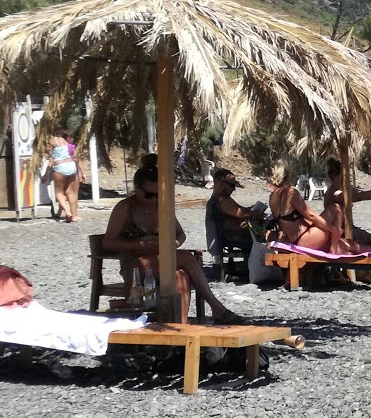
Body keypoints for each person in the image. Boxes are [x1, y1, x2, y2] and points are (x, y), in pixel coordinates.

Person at [103, 164, 245, 324]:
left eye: (158, 194)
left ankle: (179, 329)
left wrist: (173, 244)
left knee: (181, 276)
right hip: (135, 266)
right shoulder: (125, 208)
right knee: (185, 257)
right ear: (136, 188)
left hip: (161, 259)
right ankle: (217, 308)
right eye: (149, 195)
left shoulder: (160, 206)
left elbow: (180, 234)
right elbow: (108, 242)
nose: (154, 199)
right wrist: (139, 245)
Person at [268, 165, 358, 255]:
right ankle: (334, 249)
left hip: (293, 240)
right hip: (304, 239)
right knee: (336, 208)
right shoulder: (291, 193)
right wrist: (333, 229)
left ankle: (335, 246)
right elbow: (310, 215)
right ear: (288, 176)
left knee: (348, 245)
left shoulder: (272, 197)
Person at [322, 158, 371, 243]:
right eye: (343, 176)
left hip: (348, 227)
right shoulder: (334, 192)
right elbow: (356, 196)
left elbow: (362, 194)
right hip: (340, 230)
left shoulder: (343, 188)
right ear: (335, 175)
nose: (345, 179)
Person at [207, 168, 261, 260]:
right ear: (221, 184)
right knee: (263, 241)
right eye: (232, 185)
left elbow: (238, 211)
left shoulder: (215, 200)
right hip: (233, 237)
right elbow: (242, 213)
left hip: (228, 236)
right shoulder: (222, 200)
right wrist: (256, 213)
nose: (234, 189)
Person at [49, 133, 82, 222]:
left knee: (59, 193)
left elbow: (51, 160)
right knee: (71, 193)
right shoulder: (63, 140)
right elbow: (74, 156)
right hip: (71, 165)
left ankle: (67, 212)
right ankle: (75, 216)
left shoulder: (50, 142)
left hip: (60, 166)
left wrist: (46, 173)